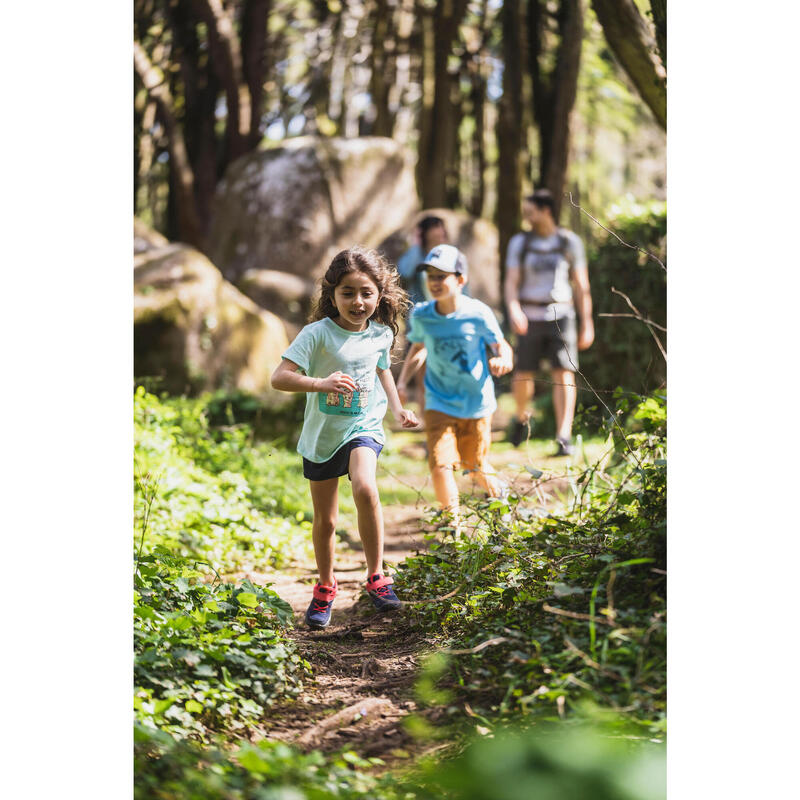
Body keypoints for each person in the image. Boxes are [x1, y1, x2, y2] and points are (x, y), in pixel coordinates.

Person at [270, 246, 419, 629]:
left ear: (380, 295)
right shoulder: (316, 334)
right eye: (348, 293)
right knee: (327, 520)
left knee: (366, 488)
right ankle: (325, 585)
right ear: (332, 295)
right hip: (322, 437)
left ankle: (376, 575)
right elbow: (280, 377)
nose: (358, 301)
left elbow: (383, 371)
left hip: (363, 427)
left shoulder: (381, 334)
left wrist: (398, 408)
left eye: (366, 293)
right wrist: (320, 383)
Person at [397, 244, 513, 528]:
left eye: (442, 276)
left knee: (474, 468)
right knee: (440, 464)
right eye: (430, 276)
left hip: (476, 403)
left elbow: (502, 347)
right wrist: (403, 381)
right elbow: (419, 347)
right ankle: (453, 526)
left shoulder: (478, 313)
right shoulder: (423, 314)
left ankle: (502, 499)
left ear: (460, 280)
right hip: (439, 401)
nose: (434, 283)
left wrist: (503, 361)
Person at [504, 189, 594, 456]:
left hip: (562, 315)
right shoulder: (520, 243)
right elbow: (511, 281)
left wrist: (587, 322)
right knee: (523, 373)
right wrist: (513, 309)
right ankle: (521, 418)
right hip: (529, 315)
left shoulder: (569, 242)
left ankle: (563, 435)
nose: (527, 218)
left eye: (531, 213)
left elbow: (581, 285)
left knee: (564, 373)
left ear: (546, 211)